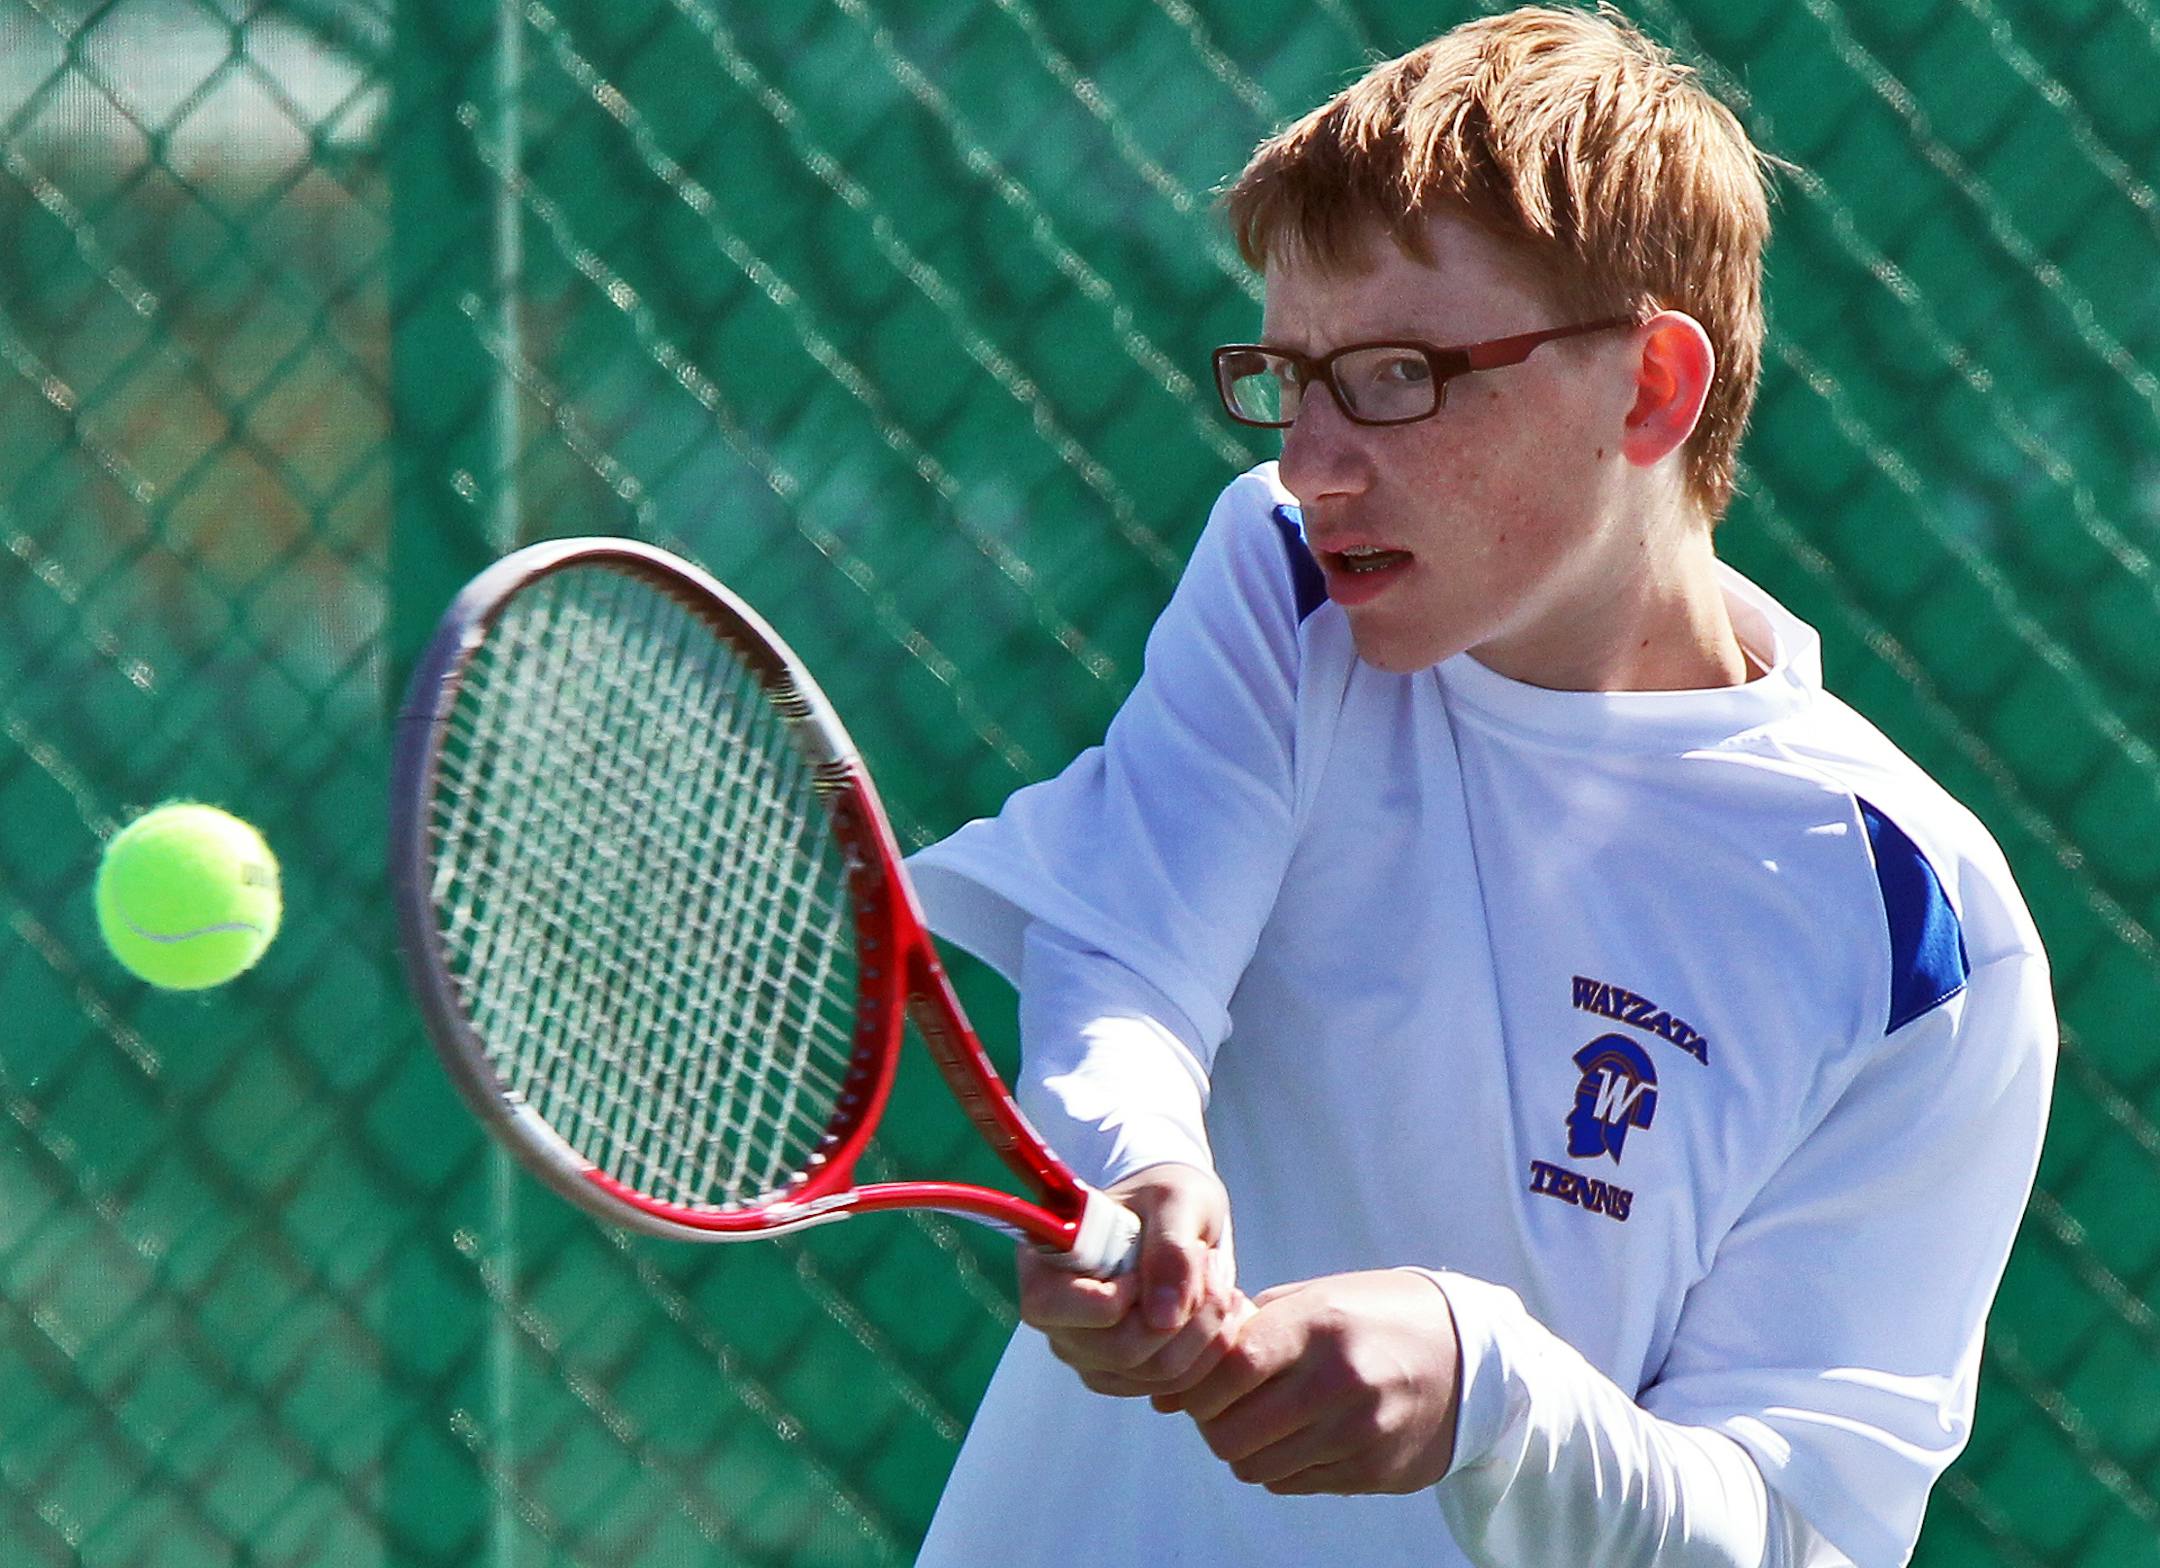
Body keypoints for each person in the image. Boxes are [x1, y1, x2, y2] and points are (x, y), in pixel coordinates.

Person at [905, 7, 2055, 1566]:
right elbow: (1127, 965)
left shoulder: (1927, 939)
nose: (1316, 462)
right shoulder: (1280, 582)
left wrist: (1485, 1393)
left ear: (1649, 389)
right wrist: (1147, 1171)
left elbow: (1793, 1537)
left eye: (1394, 375)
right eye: (1288, 377)